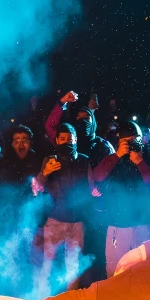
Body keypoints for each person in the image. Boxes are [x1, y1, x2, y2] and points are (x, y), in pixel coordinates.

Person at [91, 120, 150, 273]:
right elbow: (98, 176)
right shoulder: (112, 158)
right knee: (116, 272)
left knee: (144, 271)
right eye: (127, 142)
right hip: (117, 225)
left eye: (135, 141)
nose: (131, 145)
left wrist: (140, 162)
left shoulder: (148, 157)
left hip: (142, 223)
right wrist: (118, 155)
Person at [31, 123, 90, 291]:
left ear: (76, 140)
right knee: (47, 264)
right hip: (55, 220)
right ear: (56, 140)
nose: (67, 142)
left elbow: (90, 188)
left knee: (73, 266)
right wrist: (45, 173)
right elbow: (36, 188)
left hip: (77, 222)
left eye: (70, 139)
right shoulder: (50, 160)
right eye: (63, 139)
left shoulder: (84, 160)